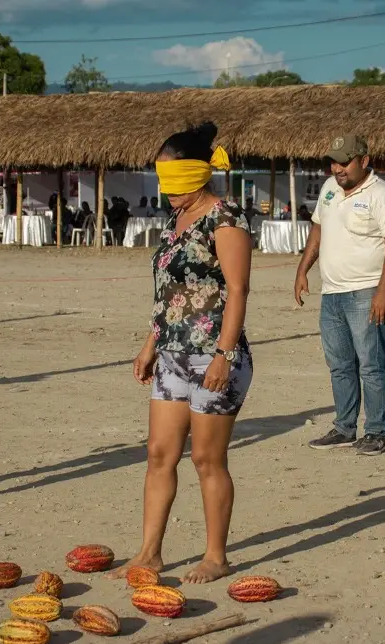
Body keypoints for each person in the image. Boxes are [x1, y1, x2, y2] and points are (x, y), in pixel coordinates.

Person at [110, 122, 253, 584]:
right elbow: (168, 293)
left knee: (207, 460)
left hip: (213, 357)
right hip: (171, 355)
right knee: (158, 454)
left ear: (199, 175)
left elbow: (238, 289)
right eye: (163, 181)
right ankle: (149, 553)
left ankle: (216, 556)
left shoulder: (226, 218)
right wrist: (150, 344)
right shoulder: (175, 220)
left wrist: (223, 355)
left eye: (176, 183)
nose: (168, 193)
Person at [295, 134, 385, 456]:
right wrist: (303, 269)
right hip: (332, 293)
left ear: (364, 161)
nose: (337, 168)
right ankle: (344, 427)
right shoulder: (330, 189)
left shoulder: (382, 195)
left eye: (344, 162)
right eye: (333, 162)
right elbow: (318, 227)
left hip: (367, 291)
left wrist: (383, 290)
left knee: (371, 363)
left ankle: (375, 432)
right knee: (340, 364)